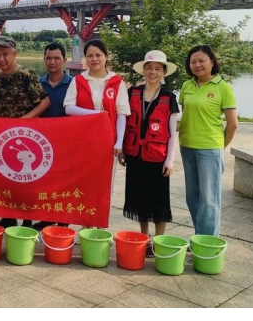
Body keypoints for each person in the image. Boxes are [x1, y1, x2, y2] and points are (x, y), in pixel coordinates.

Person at [120, 50, 179, 251]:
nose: (153, 72)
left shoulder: (169, 98)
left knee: (159, 201)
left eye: (157, 69)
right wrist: (121, 148)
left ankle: (158, 241)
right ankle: (144, 239)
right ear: (143, 70)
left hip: (158, 157)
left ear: (163, 73)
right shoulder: (132, 93)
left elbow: (173, 133)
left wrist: (170, 160)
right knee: (140, 199)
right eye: (149, 68)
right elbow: (125, 123)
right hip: (135, 155)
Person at [0, 36, 50, 228]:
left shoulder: (26, 74)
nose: (1, 59)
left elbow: (45, 101)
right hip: (4, 137)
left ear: (14, 54)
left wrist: (27, 118)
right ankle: (8, 217)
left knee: (25, 180)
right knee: (5, 176)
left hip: (24, 136)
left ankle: (27, 219)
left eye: (5, 54)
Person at [179, 45, 238, 237]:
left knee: (209, 198)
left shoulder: (223, 87)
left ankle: (208, 243)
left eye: (201, 61)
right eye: (193, 61)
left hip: (210, 149)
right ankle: (200, 237)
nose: (197, 65)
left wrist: (219, 147)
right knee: (192, 197)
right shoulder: (187, 86)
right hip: (187, 146)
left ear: (212, 61)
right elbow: (186, 113)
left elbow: (232, 124)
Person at [64, 39, 129, 157]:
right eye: (90, 56)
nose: (94, 59)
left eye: (98, 55)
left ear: (106, 56)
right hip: (82, 138)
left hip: (109, 139)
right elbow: (68, 108)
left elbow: (121, 114)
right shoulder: (78, 80)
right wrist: (96, 113)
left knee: (106, 175)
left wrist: (119, 142)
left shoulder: (117, 82)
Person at [32, 42, 72, 231]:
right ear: (44, 59)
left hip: (66, 142)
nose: (52, 62)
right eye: (48, 58)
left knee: (65, 182)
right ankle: (47, 217)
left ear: (65, 60)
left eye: (57, 58)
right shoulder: (38, 83)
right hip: (43, 142)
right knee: (45, 181)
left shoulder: (74, 85)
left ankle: (63, 220)